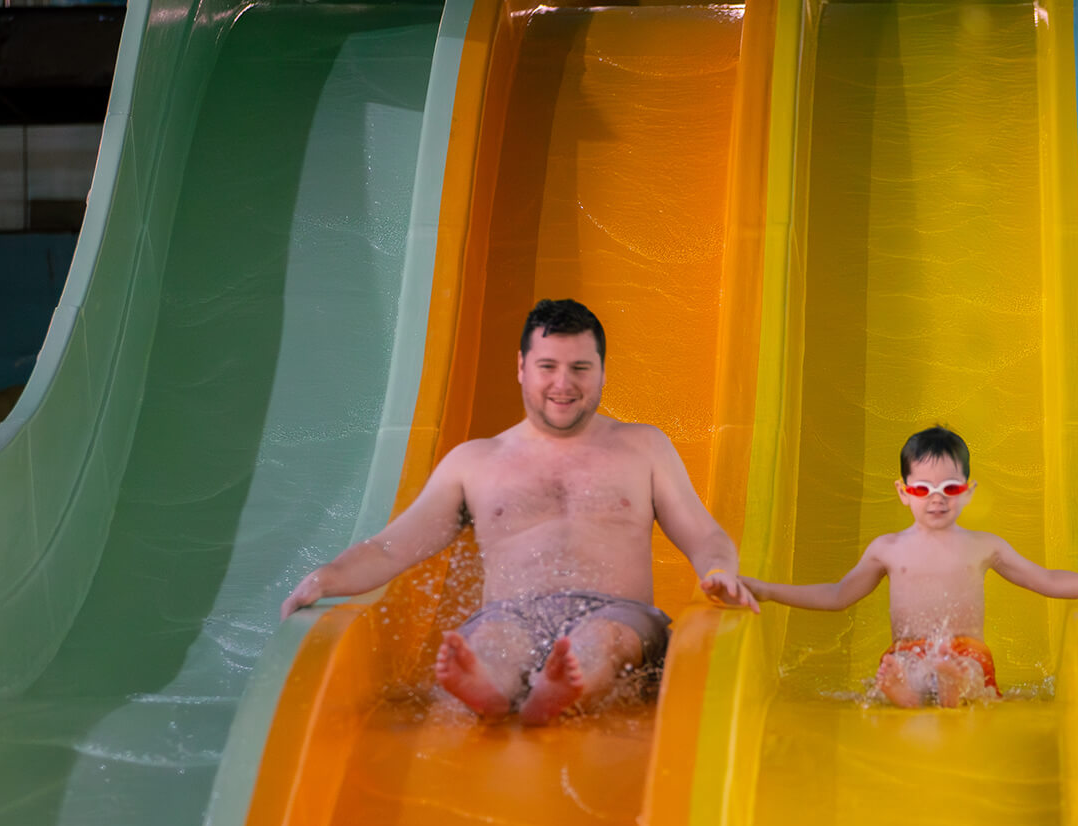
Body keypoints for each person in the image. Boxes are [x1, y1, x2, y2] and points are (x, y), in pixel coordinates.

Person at [280, 298, 758, 723]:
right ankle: (491, 689)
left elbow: (704, 535)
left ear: (604, 371)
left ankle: (563, 689)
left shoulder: (643, 447)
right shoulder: (476, 461)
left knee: (602, 640)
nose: (563, 384)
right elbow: (391, 548)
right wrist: (328, 576)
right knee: (494, 643)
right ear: (521, 367)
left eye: (580, 368)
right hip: (513, 615)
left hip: (619, 615)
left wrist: (719, 570)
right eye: (547, 366)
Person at [739, 426, 1078, 707]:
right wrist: (768, 590)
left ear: (968, 492)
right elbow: (837, 594)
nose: (936, 498)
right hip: (910, 652)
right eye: (922, 488)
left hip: (964, 653)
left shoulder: (983, 547)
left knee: (964, 669)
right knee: (901, 668)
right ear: (903, 493)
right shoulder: (887, 549)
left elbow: (1043, 579)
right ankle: (916, 691)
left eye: (949, 488)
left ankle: (945, 689)